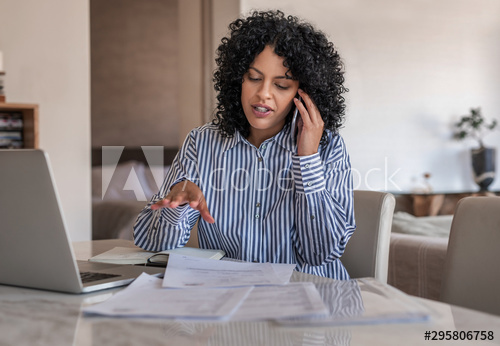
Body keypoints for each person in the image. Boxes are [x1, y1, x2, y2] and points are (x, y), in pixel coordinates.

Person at [134, 10, 355, 279]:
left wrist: (307, 158)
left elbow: (320, 253)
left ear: (304, 93)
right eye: (254, 77)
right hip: (228, 299)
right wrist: (177, 204)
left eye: (282, 85)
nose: (263, 94)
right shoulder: (201, 143)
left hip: (308, 300)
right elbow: (151, 243)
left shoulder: (329, 148)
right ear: (237, 78)